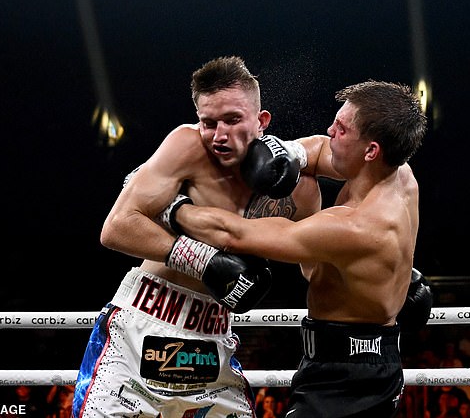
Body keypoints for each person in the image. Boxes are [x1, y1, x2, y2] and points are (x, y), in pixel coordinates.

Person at [72, 55, 321, 417]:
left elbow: (315, 269)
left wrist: (378, 275)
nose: (219, 136)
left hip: (211, 335)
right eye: (209, 122)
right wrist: (201, 260)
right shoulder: (186, 146)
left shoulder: (299, 192)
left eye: (233, 120)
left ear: (262, 121)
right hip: (144, 320)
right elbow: (116, 227)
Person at [166, 80, 428, 417]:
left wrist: (172, 206)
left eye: (343, 129)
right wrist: (288, 152)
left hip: (346, 380)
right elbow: (319, 149)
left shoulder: (356, 227)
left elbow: (235, 235)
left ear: (371, 150)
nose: (331, 130)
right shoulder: (398, 174)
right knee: (303, 175)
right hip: (359, 360)